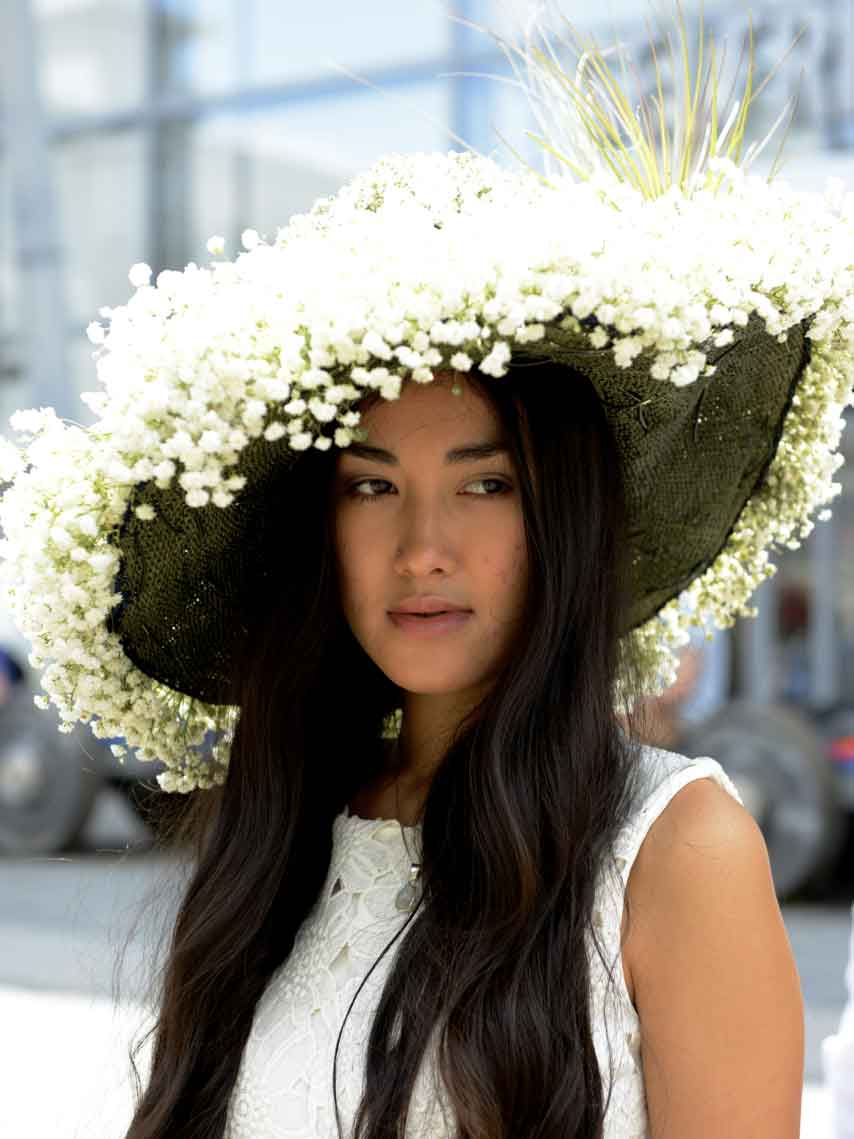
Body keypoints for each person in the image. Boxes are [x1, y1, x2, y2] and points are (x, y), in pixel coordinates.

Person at [3, 7, 846, 1137]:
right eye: (369, 485)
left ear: (566, 517)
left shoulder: (674, 848)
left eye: (484, 483)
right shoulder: (281, 829)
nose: (422, 547)